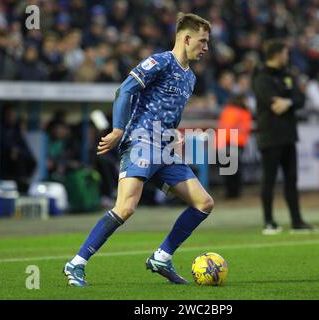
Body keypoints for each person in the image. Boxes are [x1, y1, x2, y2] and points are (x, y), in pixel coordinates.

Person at [63, 12, 212, 286]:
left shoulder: (190, 78)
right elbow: (125, 90)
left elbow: (171, 111)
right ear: (187, 38)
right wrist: (118, 129)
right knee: (126, 207)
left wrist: (175, 137)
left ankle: (162, 257)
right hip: (141, 142)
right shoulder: (159, 62)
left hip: (165, 150)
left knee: (203, 203)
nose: (206, 48)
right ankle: (76, 264)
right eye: (202, 41)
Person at [252, 39, 315, 235]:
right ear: (277, 54)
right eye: (286, 53)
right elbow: (274, 105)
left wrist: (287, 102)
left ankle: (297, 221)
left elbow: (301, 99)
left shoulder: (287, 74)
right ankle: (268, 222)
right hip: (270, 136)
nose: (288, 56)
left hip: (288, 135)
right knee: (269, 180)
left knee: (291, 180)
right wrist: (289, 101)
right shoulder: (261, 77)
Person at [216, 94, 252, 198]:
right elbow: (228, 128)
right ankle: (233, 193)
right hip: (232, 143)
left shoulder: (231, 110)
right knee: (232, 170)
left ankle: (232, 193)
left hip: (231, 143)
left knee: (230, 170)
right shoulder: (237, 111)